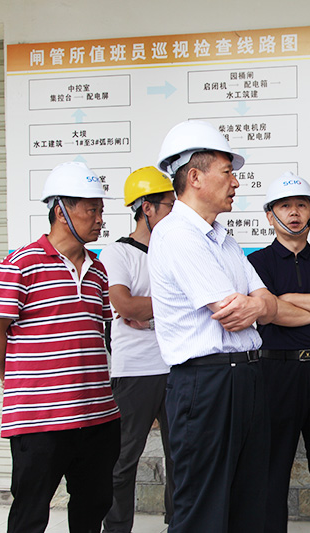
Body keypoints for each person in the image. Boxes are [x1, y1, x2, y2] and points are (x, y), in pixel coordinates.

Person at [149, 119, 278, 532]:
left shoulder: (224, 239)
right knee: (202, 510)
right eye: (227, 172)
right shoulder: (176, 235)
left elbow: (267, 304)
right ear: (194, 177)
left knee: (248, 505)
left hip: (245, 378)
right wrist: (257, 305)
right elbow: (230, 311)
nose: (236, 182)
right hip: (205, 385)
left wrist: (258, 305)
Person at [0, 161, 121, 533]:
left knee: (93, 507)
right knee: (30, 512)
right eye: (90, 210)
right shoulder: (20, 265)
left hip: (97, 416)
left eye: (100, 210)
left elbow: (100, 334)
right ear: (60, 211)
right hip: (39, 419)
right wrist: (18, 382)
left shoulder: (98, 270)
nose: (99, 219)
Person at [248, 172, 310, 533]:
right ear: (270, 215)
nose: (294, 213)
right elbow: (267, 313)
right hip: (276, 374)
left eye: (301, 206)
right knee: (273, 468)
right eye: (285, 206)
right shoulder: (257, 263)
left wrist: (286, 299)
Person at [100, 167, 176, 532]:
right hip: (134, 370)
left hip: (175, 366)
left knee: (181, 456)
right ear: (147, 208)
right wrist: (167, 307)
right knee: (123, 458)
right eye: (169, 205)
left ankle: (179, 523)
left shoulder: (173, 252)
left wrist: (149, 312)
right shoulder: (117, 253)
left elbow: (193, 303)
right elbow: (124, 304)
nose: (175, 212)